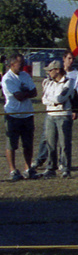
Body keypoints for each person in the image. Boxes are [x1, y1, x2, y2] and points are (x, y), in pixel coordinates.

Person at [39, 60, 78, 177]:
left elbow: (60, 98)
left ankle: (66, 168)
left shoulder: (69, 82)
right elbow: (44, 99)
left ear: (57, 70)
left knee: (64, 143)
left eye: (51, 70)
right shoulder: (48, 83)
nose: (49, 73)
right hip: (50, 115)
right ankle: (51, 168)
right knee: (50, 143)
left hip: (63, 116)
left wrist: (51, 99)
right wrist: (53, 100)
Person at [3, 53, 38, 181]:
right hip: (13, 115)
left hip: (27, 114)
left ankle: (28, 168)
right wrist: (26, 93)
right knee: (12, 144)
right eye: (20, 63)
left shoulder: (25, 75)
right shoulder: (7, 79)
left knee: (28, 144)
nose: (23, 65)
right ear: (12, 64)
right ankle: (13, 170)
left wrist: (25, 94)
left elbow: (34, 92)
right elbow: (18, 96)